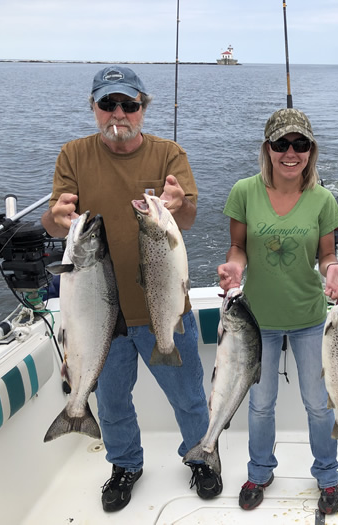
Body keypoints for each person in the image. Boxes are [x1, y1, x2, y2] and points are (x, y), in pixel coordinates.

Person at [41, 66, 222, 512]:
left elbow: (188, 216)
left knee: (188, 394)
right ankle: (125, 465)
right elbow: (53, 219)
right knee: (112, 397)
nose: (118, 113)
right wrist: (56, 217)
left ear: (143, 108)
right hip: (97, 313)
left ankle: (201, 456)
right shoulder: (73, 155)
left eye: (128, 104)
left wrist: (178, 206)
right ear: (94, 108)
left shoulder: (168, 154)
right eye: (108, 104)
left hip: (163, 308)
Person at [216, 108, 338, 514]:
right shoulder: (244, 191)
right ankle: (259, 471)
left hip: (311, 319)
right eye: (281, 144)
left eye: (300, 144)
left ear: (311, 150)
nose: (290, 153)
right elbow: (238, 247)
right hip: (255, 323)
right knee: (260, 403)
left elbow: (326, 255)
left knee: (319, 403)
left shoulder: (323, 200)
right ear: (268, 149)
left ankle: (327, 476)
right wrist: (234, 267)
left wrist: (333, 271)